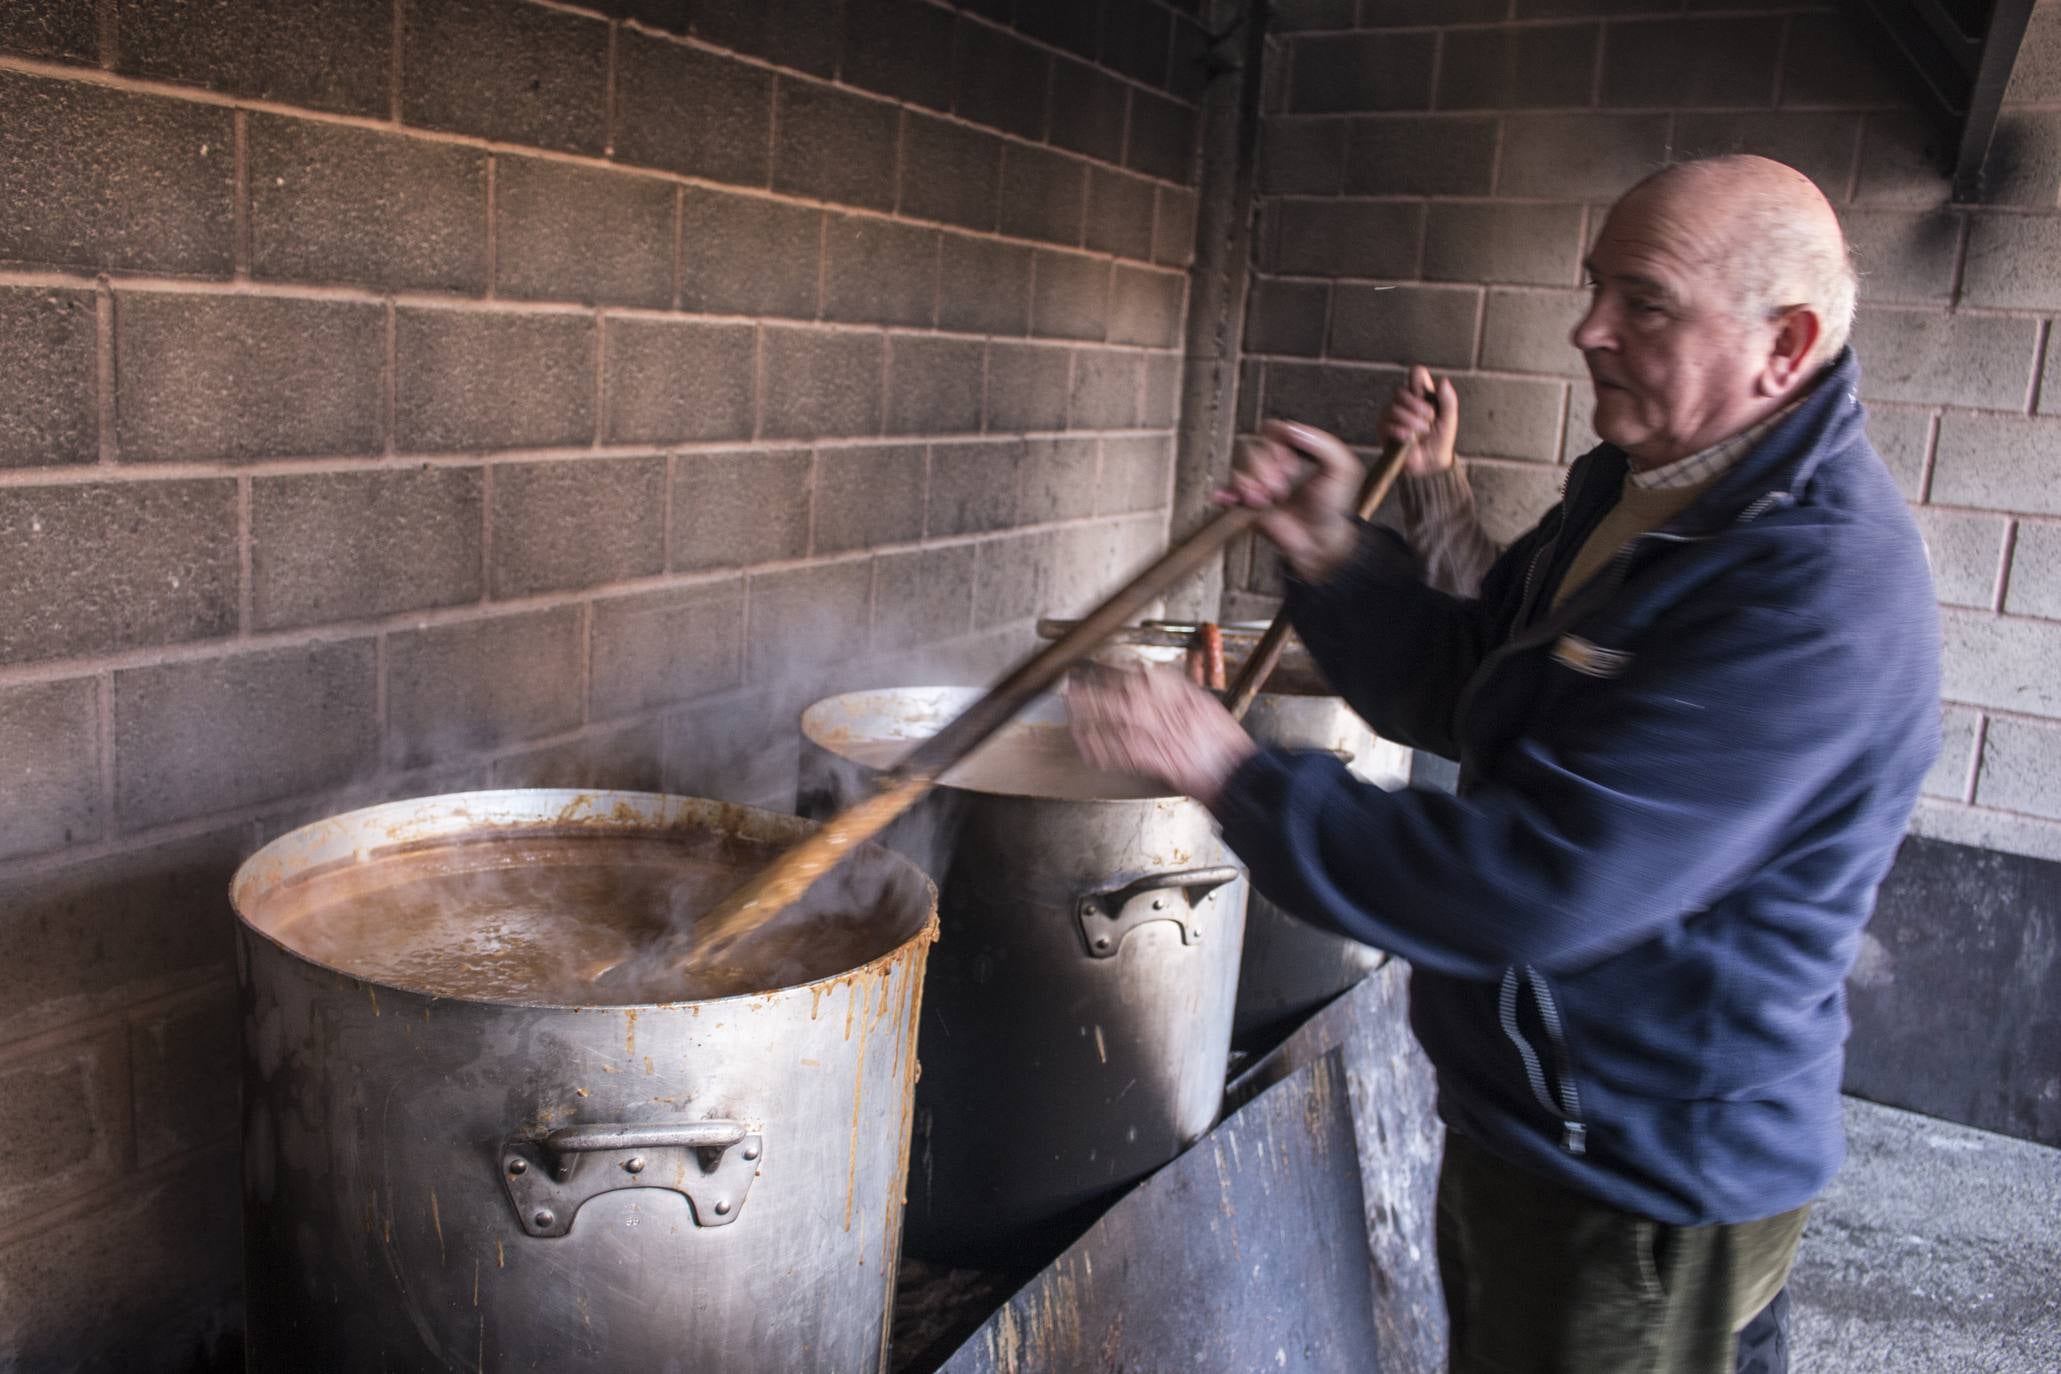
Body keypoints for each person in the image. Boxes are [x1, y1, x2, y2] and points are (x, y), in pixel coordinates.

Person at [1067, 155, 1942, 1373]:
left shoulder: (1812, 591)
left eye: (1644, 301)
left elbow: (1541, 885)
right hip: (1537, 1116)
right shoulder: (1640, 486)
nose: (1588, 329)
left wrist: (1238, 775)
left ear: (1782, 344)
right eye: (1596, 288)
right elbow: (1480, 683)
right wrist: (1334, 556)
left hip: (1641, 1174)